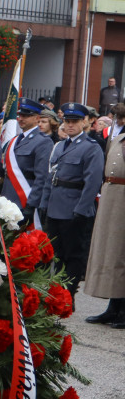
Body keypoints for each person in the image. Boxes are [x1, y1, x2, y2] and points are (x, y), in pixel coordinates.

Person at [38, 103, 104, 300]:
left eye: (75, 121)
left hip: (74, 207)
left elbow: (92, 182)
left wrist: (81, 210)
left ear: (85, 122)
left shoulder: (91, 148)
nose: (70, 125)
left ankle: (68, 295)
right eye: (67, 121)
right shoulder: (60, 146)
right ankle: (57, 292)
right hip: (55, 206)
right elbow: (51, 177)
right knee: (56, 254)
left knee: (73, 254)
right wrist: (44, 203)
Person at [83, 119, 125, 328]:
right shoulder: (117, 139)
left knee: (122, 253)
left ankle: (123, 309)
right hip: (111, 197)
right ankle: (113, 307)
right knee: (110, 252)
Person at [0, 98, 53, 217]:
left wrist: (31, 204)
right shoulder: (15, 140)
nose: (21, 119)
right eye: (20, 115)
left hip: (24, 198)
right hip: (7, 198)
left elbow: (42, 177)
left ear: (37, 118)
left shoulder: (43, 142)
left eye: (26, 116)